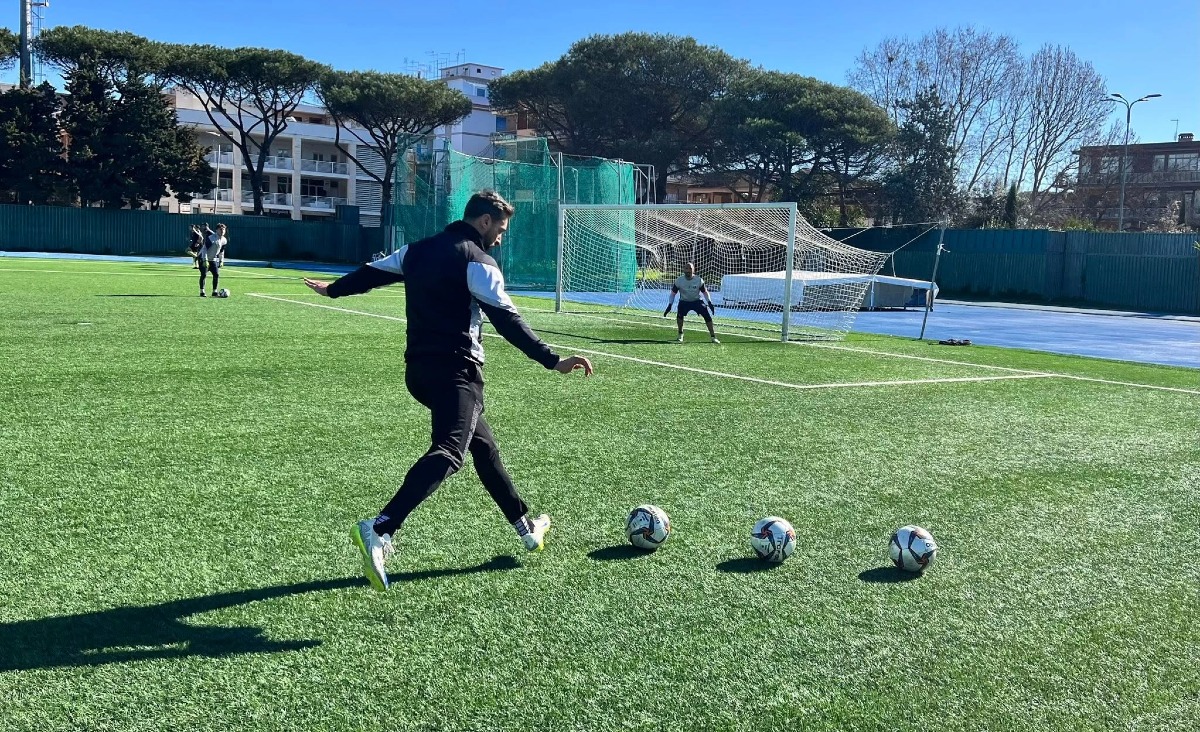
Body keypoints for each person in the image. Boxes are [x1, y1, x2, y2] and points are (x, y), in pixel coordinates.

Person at [303, 190, 594, 592]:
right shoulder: (478, 261)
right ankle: (381, 527)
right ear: (485, 222)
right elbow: (508, 320)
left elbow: (373, 273)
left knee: (484, 448)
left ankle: (525, 526)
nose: (501, 238)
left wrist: (333, 289)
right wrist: (552, 360)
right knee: (450, 451)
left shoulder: (417, 250)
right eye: (501, 229)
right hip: (458, 372)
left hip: (418, 372)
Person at [663, 262, 720, 343]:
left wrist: (709, 302)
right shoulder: (679, 280)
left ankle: (713, 337)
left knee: (707, 316)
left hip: (696, 301)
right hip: (684, 301)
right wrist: (670, 305)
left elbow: (705, 292)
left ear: (693, 270)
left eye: (690, 268)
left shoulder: (699, 280)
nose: (688, 270)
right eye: (686, 268)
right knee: (679, 316)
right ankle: (680, 334)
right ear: (683, 270)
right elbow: (673, 293)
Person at [197, 223, 227, 297]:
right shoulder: (211, 238)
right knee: (203, 274)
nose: (222, 231)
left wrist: (221, 261)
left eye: (223, 229)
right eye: (220, 229)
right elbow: (204, 249)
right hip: (203, 258)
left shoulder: (224, 240)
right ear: (216, 230)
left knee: (216, 274)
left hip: (213, 259)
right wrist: (205, 260)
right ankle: (202, 291)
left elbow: (221, 251)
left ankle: (215, 291)